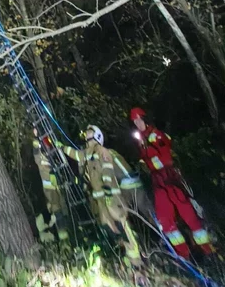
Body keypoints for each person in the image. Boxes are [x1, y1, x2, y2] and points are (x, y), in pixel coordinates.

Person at [130, 107, 213, 260]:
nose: (137, 123)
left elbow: (165, 156)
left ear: (144, 118)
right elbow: (145, 159)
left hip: (171, 180)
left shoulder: (156, 135)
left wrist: (151, 160)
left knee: (189, 215)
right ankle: (183, 255)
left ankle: (207, 250)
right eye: (134, 121)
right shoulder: (140, 140)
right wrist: (143, 165)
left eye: (139, 120)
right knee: (165, 220)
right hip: (158, 183)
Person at [63, 125, 141, 268]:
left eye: (90, 132)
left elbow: (107, 169)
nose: (86, 134)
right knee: (108, 227)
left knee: (121, 224)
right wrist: (61, 147)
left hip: (110, 195)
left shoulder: (102, 151)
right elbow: (75, 154)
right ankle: (125, 256)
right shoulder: (87, 153)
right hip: (99, 199)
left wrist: (107, 186)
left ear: (97, 136)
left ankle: (136, 260)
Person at [33, 130, 71, 246]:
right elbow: (35, 150)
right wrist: (35, 137)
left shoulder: (53, 160)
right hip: (50, 192)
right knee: (58, 214)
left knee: (65, 213)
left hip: (59, 190)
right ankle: (65, 244)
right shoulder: (40, 159)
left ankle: (71, 240)